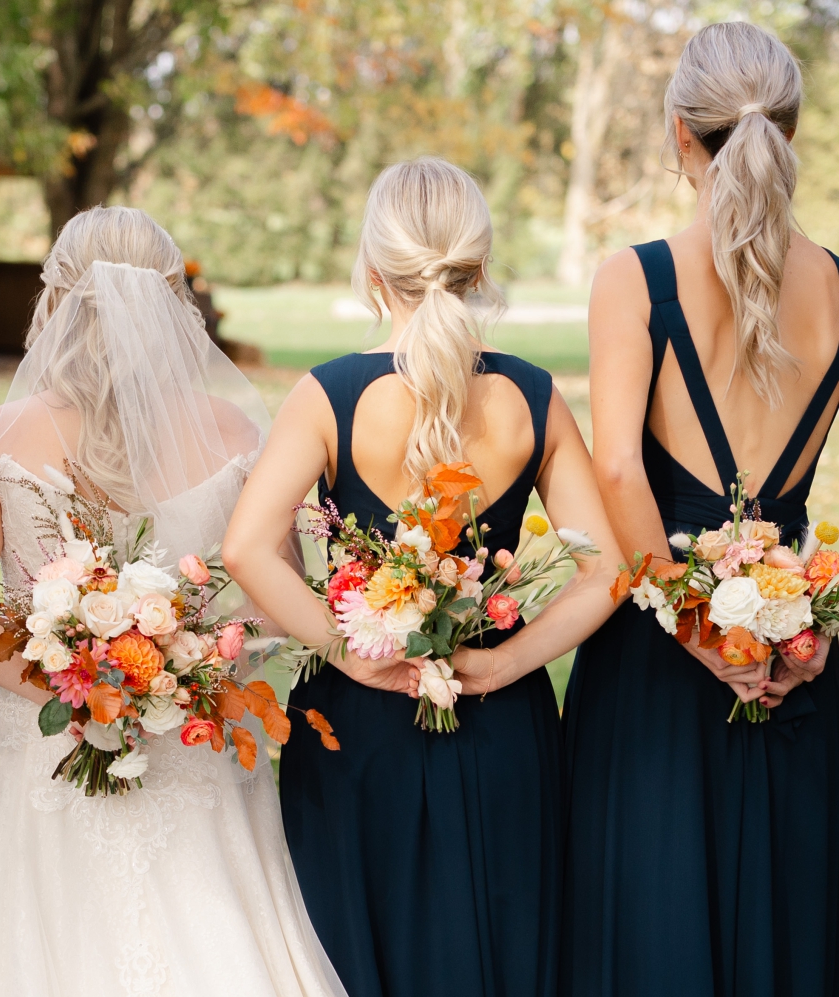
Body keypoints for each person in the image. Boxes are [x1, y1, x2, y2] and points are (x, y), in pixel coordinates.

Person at [223, 157, 622, 997]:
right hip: (502, 726)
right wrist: (505, 665)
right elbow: (606, 573)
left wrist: (349, 653)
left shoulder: (327, 395)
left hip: (361, 726)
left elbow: (247, 547)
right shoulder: (535, 397)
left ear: (374, 273)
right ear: (479, 270)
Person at [0, 205, 346, 997]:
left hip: (38, 740)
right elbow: (264, 611)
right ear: (171, 306)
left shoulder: (4, 432)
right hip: (190, 733)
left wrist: (83, 695)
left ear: (55, 303)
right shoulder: (233, 434)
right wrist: (173, 680)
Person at [561, 22, 839, 996]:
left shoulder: (634, 277)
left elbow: (623, 475)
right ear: (791, 134)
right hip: (793, 657)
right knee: (790, 924)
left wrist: (694, 629)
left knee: (652, 934)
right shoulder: (838, 284)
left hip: (657, 667)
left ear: (681, 134)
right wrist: (810, 634)